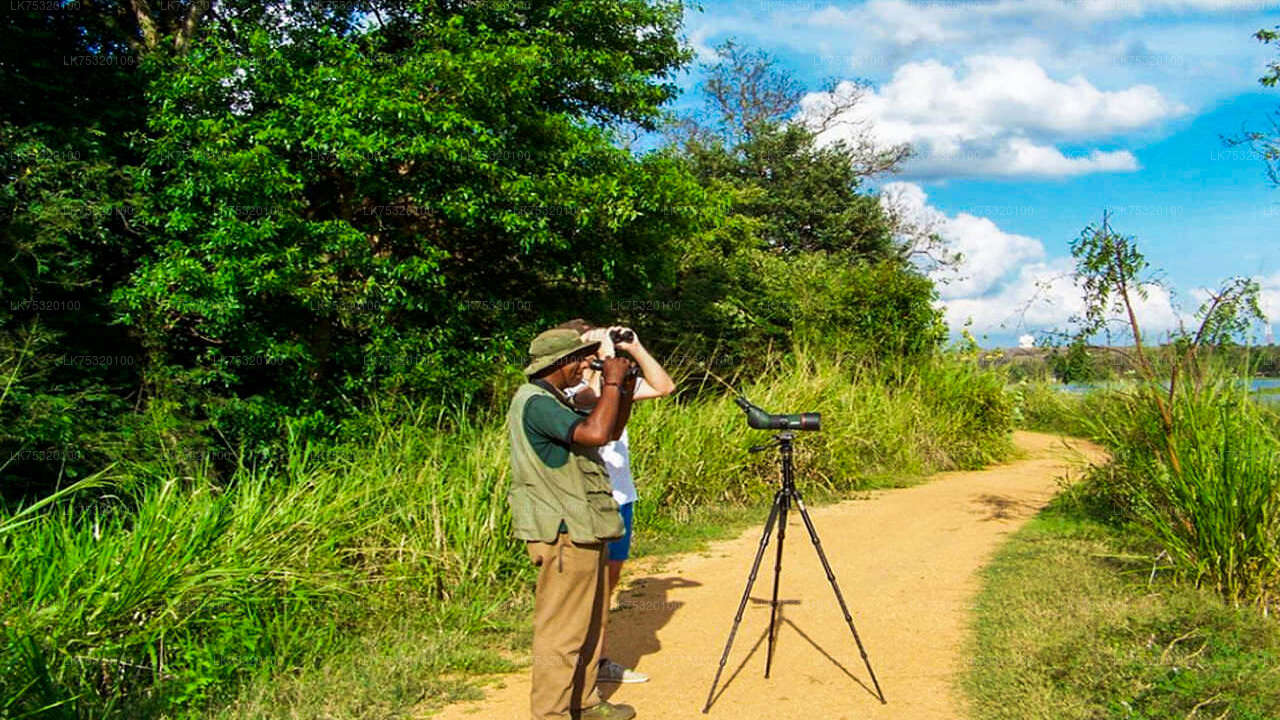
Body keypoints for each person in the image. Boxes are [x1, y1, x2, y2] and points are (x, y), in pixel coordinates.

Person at [507, 327, 640, 720]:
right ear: (559, 364)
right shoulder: (535, 403)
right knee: (561, 633)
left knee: (588, 625)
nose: (586, 364)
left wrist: (625, 387)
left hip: (584, 527)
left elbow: (608, 430)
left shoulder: (556, 401)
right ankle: (551, 713)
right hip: (564, 535)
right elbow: (597, 432)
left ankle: (584, 703)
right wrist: (611, 379)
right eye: (580, 358)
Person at [556, 320, 675, 685]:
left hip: (622, 496)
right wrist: (604, 357)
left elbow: (664, 386)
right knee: (584, 590)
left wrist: (634, 347)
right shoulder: (568, 386)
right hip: (589, 501)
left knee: (607, 587)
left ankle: (599, 660)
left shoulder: (612, 379)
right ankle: (573, 668)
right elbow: (592, 402)